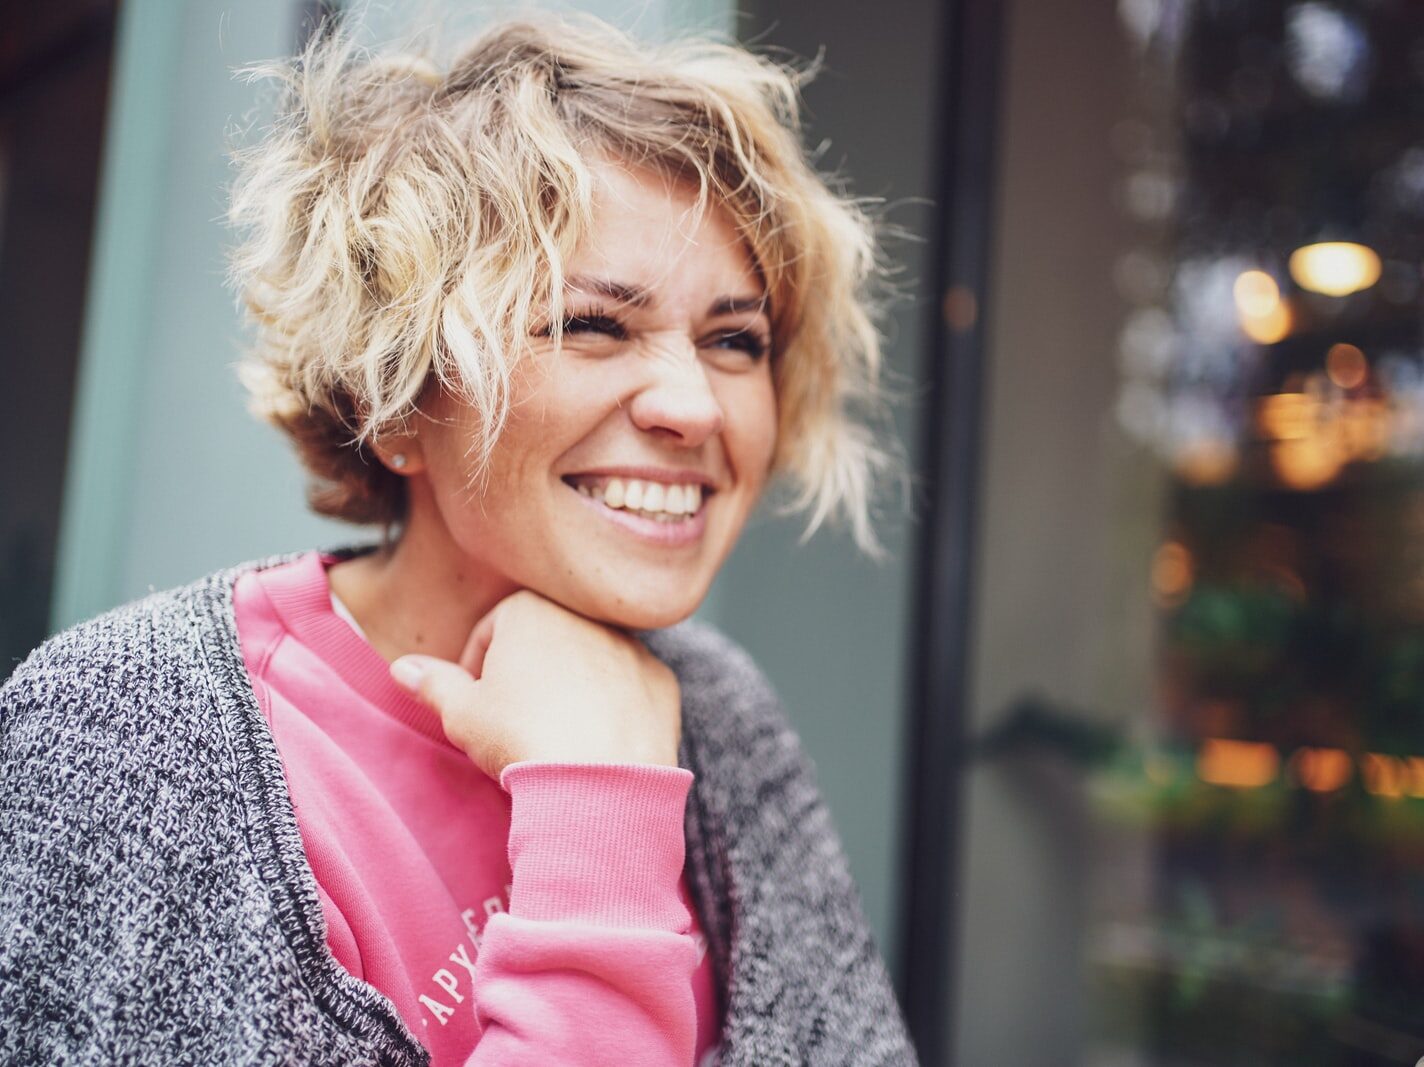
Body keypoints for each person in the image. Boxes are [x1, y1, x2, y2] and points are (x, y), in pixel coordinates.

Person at [0, 13, 916, 1066]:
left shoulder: (720, 710)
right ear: (393, 398)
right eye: (592, 323)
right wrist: (597, 806)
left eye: (733, 339)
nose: (693, 404)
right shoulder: (124, 737)